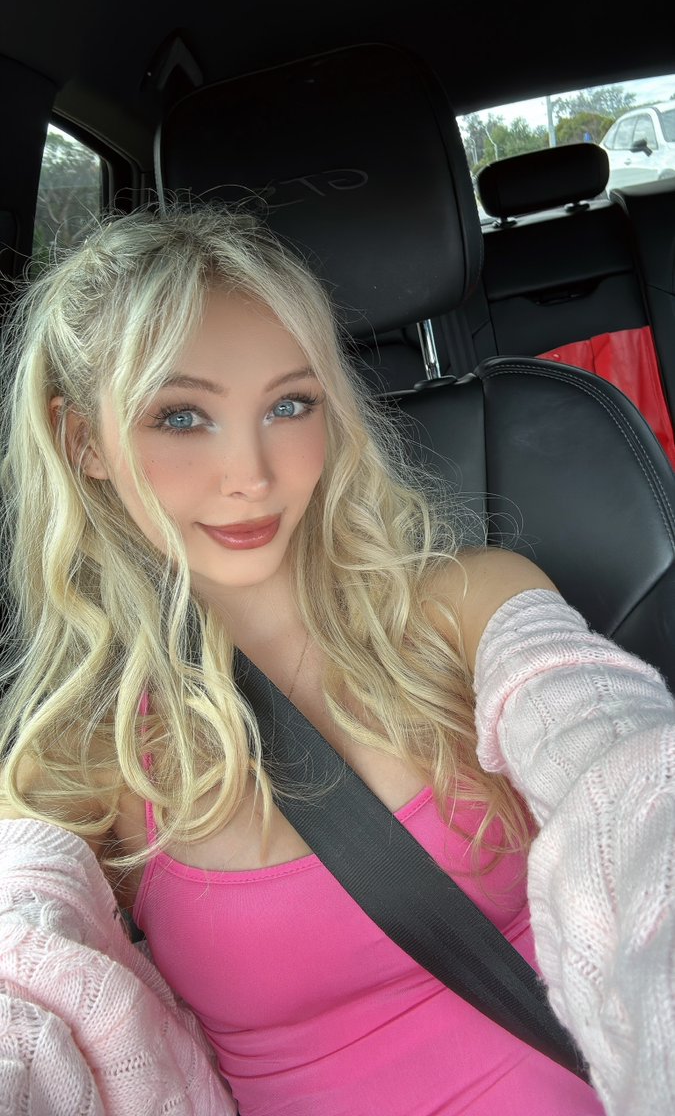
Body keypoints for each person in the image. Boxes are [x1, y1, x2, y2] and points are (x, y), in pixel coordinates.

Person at [0, 204, 673, 1116]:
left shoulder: (465, 608)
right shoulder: (82, 756)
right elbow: (25, 975)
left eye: (290, 404)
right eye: (181, 416)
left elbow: (624, 774)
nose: (252, 473)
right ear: (82, 440)